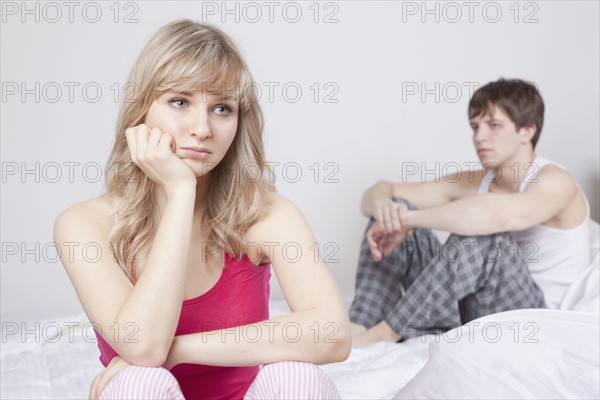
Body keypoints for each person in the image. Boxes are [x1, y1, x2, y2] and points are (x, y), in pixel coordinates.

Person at [53, 19, 350, 399]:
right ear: (141, 110)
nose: (202, 128)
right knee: (141, 380)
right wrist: (180, 192)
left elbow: (333, 335)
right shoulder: (83, 225)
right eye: (180, 102)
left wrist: (180, 350)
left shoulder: (266, 214)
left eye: (222, 108)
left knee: (296, 376)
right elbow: (143, 347)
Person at [349, 78, 591, 347]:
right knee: (392, 210)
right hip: (476, 310)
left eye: (494, 125)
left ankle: (385, 333)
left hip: (534, 321)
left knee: (485, 236)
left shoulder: (556, 181)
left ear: (527, 131)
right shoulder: (476, 180)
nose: (479, 137)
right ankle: (361, 325)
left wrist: (407, 220)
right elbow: (382, 189)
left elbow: (495, 215)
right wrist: (386, 209)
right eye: (475, 127)